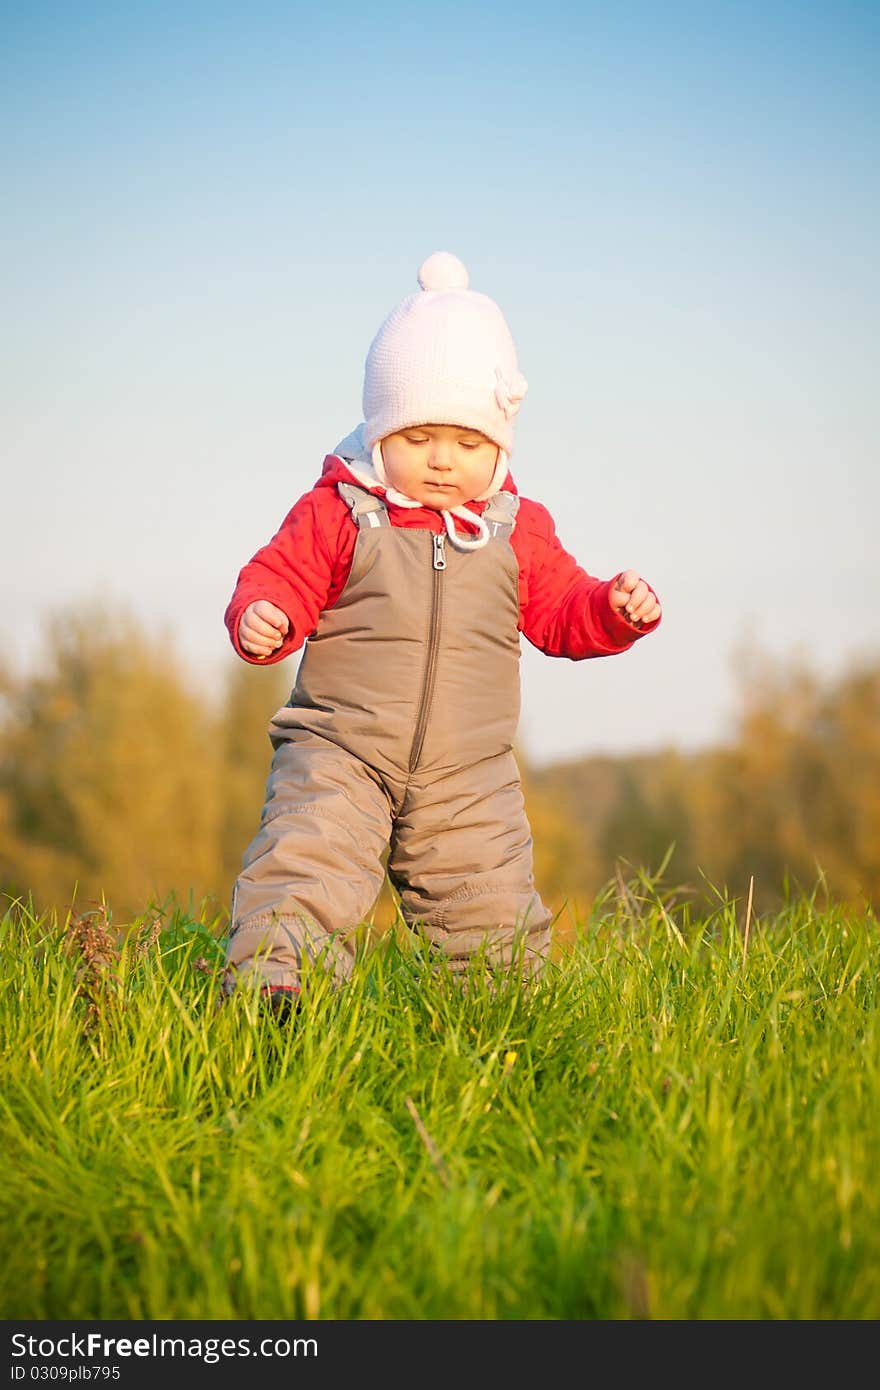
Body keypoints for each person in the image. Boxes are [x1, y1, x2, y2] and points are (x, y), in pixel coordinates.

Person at [222, 251, 661, 1012]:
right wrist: (266, 616)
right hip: (342, 748)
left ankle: (500, 1026)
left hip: (469, 774)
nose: (443, 461)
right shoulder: (340, 511)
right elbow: (278, 576)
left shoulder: (514, 530)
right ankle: (274, 992)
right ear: (382, 431)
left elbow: (562, 610)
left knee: (489, 905)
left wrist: (610, 611)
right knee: (306, 864)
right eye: (420, 438)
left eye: (467, 442)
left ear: (499, 444)